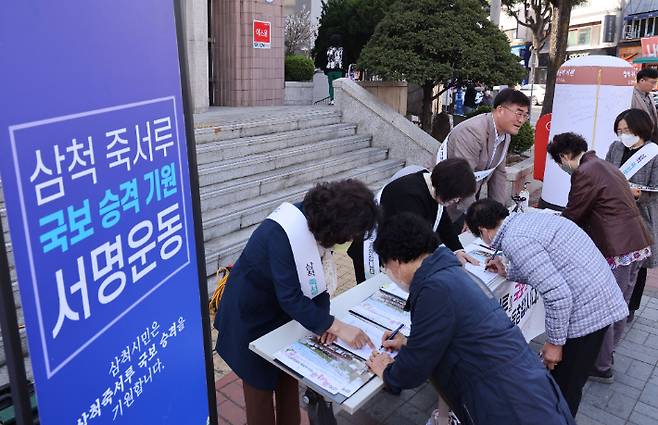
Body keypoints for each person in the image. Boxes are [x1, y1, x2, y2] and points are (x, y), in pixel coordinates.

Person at [365, 213, 575, 425]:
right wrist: (411, 343)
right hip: (523, 388)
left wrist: (387, 371)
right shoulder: (448, 273)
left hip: (508, 404)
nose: (388, 272)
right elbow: (457, 334)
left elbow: (413, 371)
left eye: (386, 266)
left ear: (397, 261)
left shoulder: (433, 290)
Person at [214, 180, 378, 425]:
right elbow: (291, 297)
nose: (350, 241)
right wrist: (337, 326)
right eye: (350, 235)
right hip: (250, 318)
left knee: (288, 379)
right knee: (259, 395)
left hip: (282, 314)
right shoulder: (282, 233)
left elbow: (316, 284)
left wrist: (324, 324)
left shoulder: (317, 222)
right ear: (337, 225)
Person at [465, 199, 628, 416]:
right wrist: (509, 272)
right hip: (598, 294)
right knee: (563, 384)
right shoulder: (529, 220)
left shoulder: (515, 240)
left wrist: (554, 343)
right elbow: (547, 268)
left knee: (565, 388)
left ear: (484, 231)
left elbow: (557, 295)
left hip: (588, 311)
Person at [547, 132, 652, 383]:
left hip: (618, 247)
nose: (562, 168)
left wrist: (551, 232)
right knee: (620, 303)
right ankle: (606, 356)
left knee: (607, 307)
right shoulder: (602, 164)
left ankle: (601, 364)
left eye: (559, 163)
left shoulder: (585, 172)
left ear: (564, 156)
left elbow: (575, 213)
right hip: (635, 242)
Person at [347, 159, 478, 283]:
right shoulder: (409, 195)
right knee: (370, 297)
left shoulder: (435, 186)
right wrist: (448, 262)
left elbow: (443, 223)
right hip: (372, 253)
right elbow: (417, 239)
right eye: (456, 196)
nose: (456, 201)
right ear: (447, 187)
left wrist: (458, 250)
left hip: (396, 251)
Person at [438, 89, 531, 227]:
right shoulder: (472, 131)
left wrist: (500, 216)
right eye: (518, 113)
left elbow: (498, 174)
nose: (521, 120)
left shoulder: (505, 136)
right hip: (443, 195)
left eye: (525, 115)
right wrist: (474, 218)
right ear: (500, 110)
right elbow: (463, 177)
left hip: (466, 195)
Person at [606, 109, 658, 323]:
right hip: (613, 214)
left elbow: (655, 190)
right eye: (619, 130)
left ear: (640, 128)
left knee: (637, 264)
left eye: (627, 130)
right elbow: (606, 172)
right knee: (613, 258)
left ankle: (630, 306)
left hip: (640, 217)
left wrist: (635, 193)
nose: (623, 135)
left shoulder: (653, 153)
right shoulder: (616, 147)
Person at [631, 67, 658, 141]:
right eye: (652, 82)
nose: (654, 85)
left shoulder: (649, 95)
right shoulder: (631, 95)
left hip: (653, 136)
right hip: (638, 137)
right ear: (642, 80)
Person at [325, 34, 344, 105]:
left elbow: (325, 60)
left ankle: (332, 99)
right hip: (339, 70)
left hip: (330, 70)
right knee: (338, 86)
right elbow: (344, 60)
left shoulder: (328, 50)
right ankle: (338, 99)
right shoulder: (341, 50)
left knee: (331, 85)